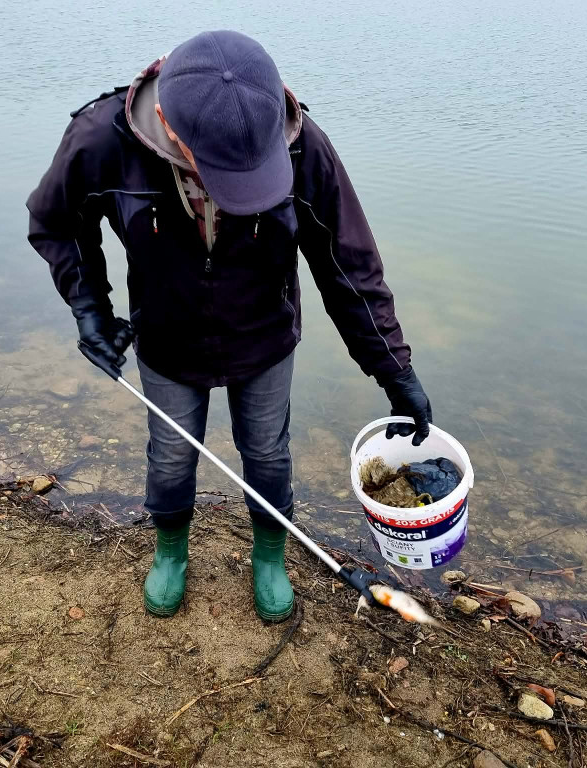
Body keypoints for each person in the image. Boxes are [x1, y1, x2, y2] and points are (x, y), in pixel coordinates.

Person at [27, 30, 432, 623]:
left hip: (264, 335)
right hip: (167, 336)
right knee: (169, 457)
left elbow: (349, 264)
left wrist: (394, 369)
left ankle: (269, 555)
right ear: (166, 120)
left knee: (267, 452)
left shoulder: (301, 146)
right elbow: (56, 222)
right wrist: (90, 308)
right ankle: (171, 551)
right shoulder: (99, 139)